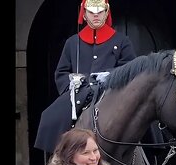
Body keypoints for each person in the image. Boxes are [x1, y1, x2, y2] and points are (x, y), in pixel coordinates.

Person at [34, 0, 137, 154]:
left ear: (106, 12)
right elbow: (61, 72)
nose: (96, 16)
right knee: (49, 116)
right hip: (80, 93)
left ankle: (151, 161)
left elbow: (131, 68)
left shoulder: (121, 41)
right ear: (85, 14)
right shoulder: (72, 42)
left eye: (100, 12)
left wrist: (111, 77)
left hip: (112, 91)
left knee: (143, 114)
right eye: (91, 12)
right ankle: (56, 160)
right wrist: (71, 81)